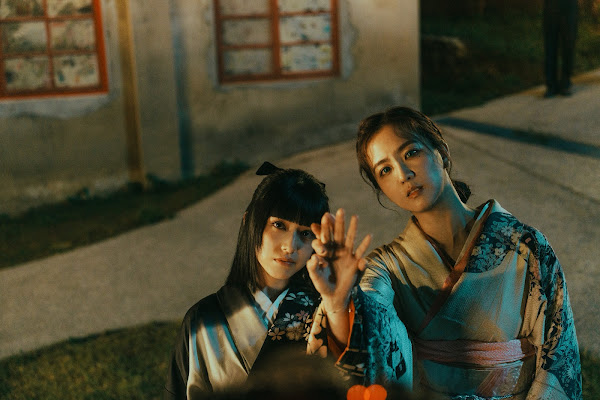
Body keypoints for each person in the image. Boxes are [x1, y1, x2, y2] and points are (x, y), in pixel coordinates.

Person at [306, 107, 582, 399]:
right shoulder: (386, 267)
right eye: (385, 170)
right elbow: (370, 317)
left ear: (442, 152)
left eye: (411, 153)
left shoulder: (525, 245)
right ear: (381, 189)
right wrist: (339, 303)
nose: (403, 174)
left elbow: (558, 355)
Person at [164, 162, 331, 399]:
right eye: (278, 225)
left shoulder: (326, 311)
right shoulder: (203, 320)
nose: (290, 246)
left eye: (305, 233)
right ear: (249, 222)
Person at [543, 0, 579, 97]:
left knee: (568, 45)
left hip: (569, 5)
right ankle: (551, 85)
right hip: (551, 5)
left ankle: (565, 83)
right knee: (550, 45)